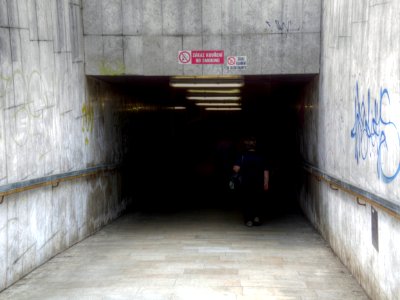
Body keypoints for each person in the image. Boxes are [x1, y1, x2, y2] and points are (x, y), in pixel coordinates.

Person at [232, 136, 270, 227]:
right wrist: (266, 182)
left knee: (246, 200)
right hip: (258, 182)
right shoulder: (261, 157)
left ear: (246, 146)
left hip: (246, 182)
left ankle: (248, 220)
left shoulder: (242, 156)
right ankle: (256, 217)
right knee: (257, 199)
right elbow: (266, 171)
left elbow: (236, 169)